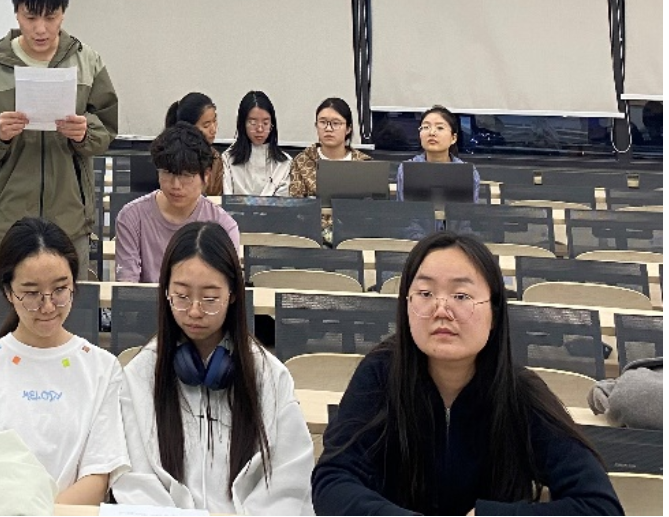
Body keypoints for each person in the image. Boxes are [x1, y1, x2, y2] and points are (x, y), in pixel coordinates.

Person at [312, 231, 623, 516]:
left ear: (494, 313)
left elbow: (600, 507)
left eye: (461, 296)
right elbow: (333, 479)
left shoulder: (519, 393)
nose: (441, 309)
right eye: (425, 293)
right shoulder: (381, 373)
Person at [112, 221, 315, 514]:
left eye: (209, 299)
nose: (194, 311)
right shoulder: (141, 374)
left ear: (233, 294)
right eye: (181, 296)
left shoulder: (268, 375)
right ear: (165, 292)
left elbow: (289, 477)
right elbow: (135, 479)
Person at [0, 217, 130, 505]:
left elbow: (97, 477)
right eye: (31, 293)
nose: (47, 306)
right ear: (8, 292)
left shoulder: (103, 368)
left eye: (60, 290)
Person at [0, 0, 118, 280]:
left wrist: (85, 132)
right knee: (1, 304)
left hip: (69, 218)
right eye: (30, 17)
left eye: (50, 17)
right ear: (16, 13)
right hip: (4, 219)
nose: (41, 29)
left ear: (63, 13)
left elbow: (106, 131)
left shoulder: (87, 62)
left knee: (69, 302)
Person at [115, 122, 239, 283]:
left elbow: (225, 287)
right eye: (167, 173)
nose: (176, 185)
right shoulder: (131, 217)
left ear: (206, 175)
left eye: (186, 175)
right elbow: (127, 287)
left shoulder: (223, 225)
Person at [395, 104, 480, 202]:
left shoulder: (468, 172)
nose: (432, 133)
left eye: (440, 128)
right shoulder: (406, 169)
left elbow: (472, 210)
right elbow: (402, 209)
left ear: (453, 138)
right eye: (426, 127)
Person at [289, 97, 371, 198]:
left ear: (348, 129)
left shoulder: (364, 164)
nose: (328, 129)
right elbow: (295, 202)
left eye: (335, 123)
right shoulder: (302, 162)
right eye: (323, 122)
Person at [222, 90, 292, 196]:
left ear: (272, 125)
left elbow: (282, 201)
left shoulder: (284, 163)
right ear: (243, 124)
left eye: (265, 123)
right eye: (253, 123)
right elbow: (227, 199)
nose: (260, 129)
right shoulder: (228, 159)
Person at [165, 92, 223, 196]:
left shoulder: (215, 158)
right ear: (189, 128)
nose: (213, 130)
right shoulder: (168, 155)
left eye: (214, 121)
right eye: (206, 125)